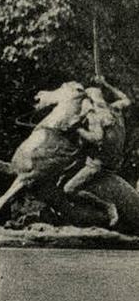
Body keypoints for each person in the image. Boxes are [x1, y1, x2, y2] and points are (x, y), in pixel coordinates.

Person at [60, 76, 132, 226]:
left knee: (69, 189)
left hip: (99, 165)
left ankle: (107, 207)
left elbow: (97, 138)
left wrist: (77, 129)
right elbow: (126, 99)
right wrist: (106, 84)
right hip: (115, 161)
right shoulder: (115, 108)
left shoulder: (96, 117)